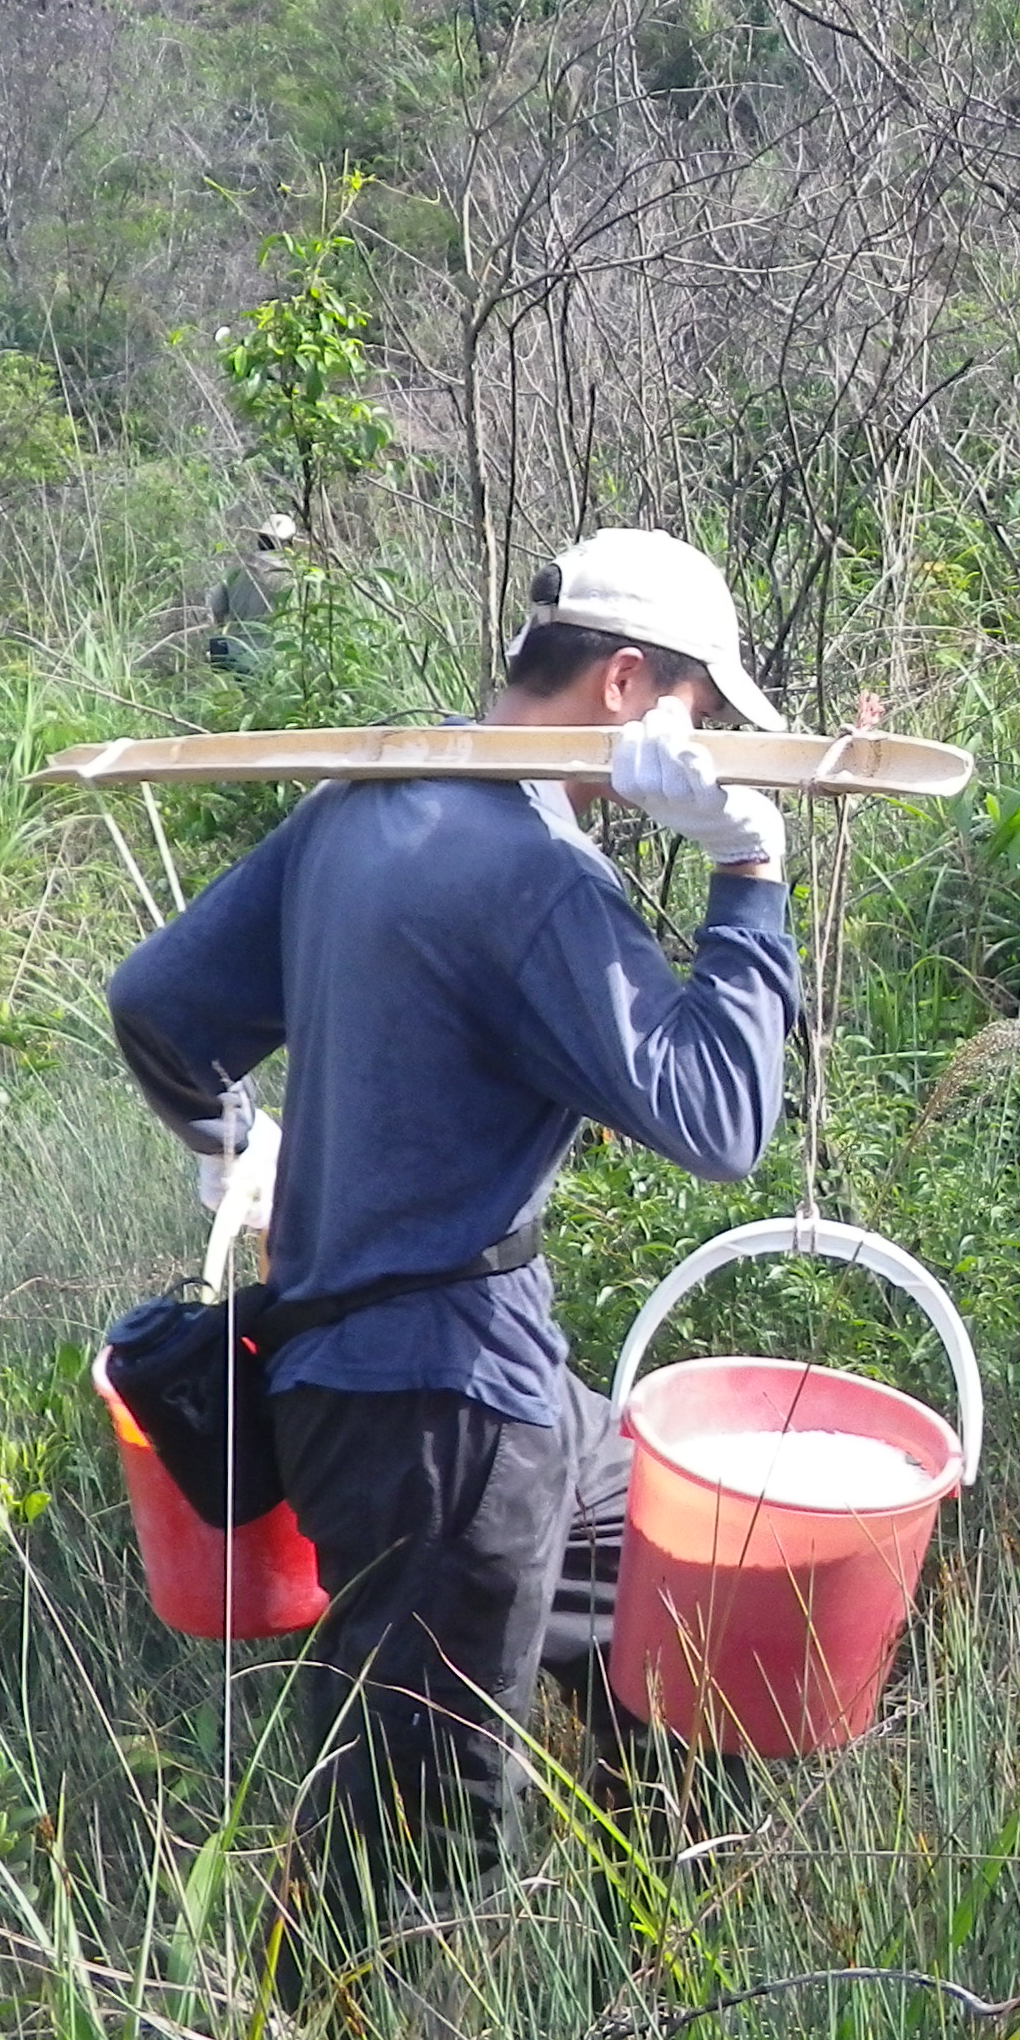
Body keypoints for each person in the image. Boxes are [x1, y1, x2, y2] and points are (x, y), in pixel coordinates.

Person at [106, 527, 802, 1928]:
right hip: (441, 1416)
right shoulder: (534, 877)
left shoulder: (365, 803)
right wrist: (747, 871)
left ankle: (660, 1947)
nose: (711, 745)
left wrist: (237, 1140)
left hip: (448, 1377)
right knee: (423, 1842)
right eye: (703, 714)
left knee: (682, 1593)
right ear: (625, 687)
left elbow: (159, 1009)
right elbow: (723, 1121)